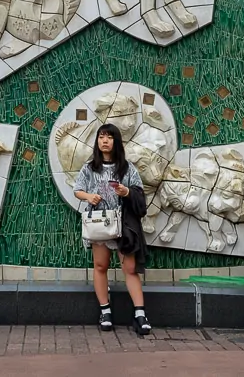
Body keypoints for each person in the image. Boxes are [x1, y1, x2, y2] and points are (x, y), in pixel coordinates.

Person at [73, 123, 152, 336]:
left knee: (130, 268)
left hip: (123, 225)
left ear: (116, 141)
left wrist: (126, 192)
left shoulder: (127, 168)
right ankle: (105, 312)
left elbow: (139, 193)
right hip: (99, 223)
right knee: (100, 266)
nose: (104, 141)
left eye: (109, 137)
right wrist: (89, 196)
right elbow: (77, 190)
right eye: (101, 137)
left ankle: (140, 314)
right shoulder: (89, 168)